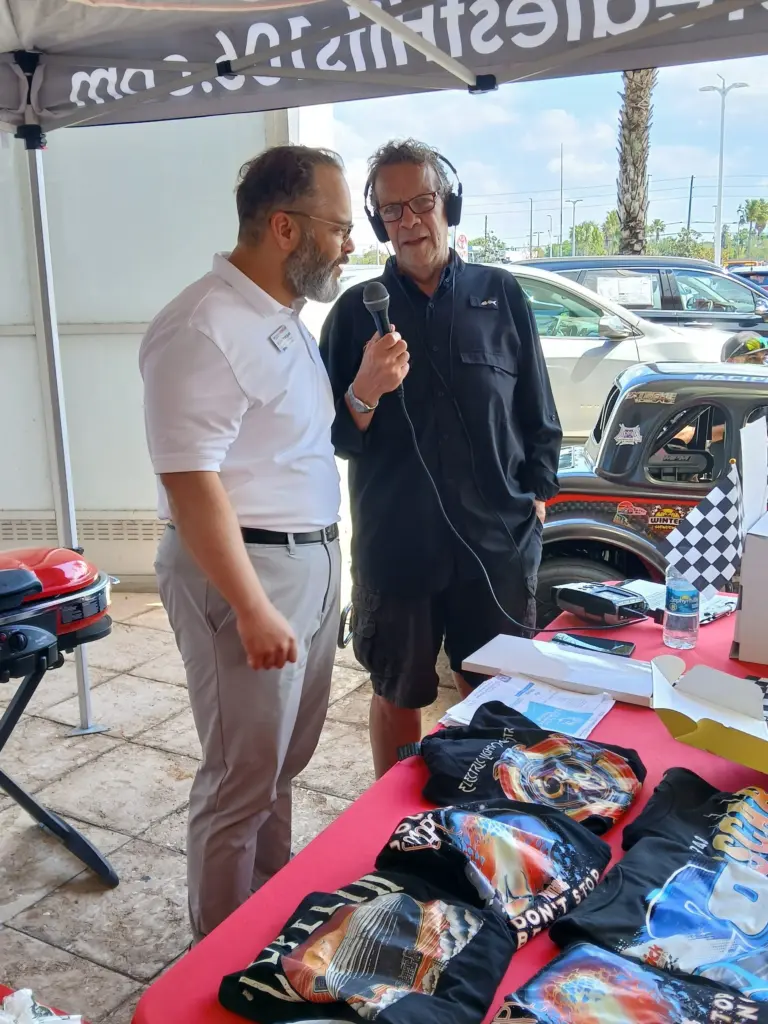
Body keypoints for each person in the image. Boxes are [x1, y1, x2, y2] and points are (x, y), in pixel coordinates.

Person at [139, 145, 354, 942]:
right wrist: (253, 605)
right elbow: (190, 481)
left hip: (306, 562)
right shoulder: (204, 327)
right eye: (339, 226)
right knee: (240, 778)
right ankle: (219, 961)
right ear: (285, 228)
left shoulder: (278, 318)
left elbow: (284, 445)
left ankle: (265, 923)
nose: (350, 243)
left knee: (279, 766)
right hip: (248, 571)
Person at [319, 138, 562, 779]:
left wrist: (536, 501)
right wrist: (364, 390)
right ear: (378, 223)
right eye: (392, 210)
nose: (409, 221)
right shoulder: (354, 314)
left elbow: (539, 415)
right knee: (399, 695)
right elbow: (329, 437)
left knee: (494, 697)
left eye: (421, 202)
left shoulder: (501, 294)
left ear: (448, 205)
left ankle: (484, 805)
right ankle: (391, 815)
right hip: (398, 550)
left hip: (496, 545)